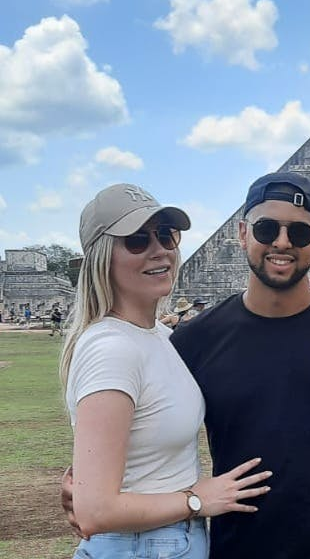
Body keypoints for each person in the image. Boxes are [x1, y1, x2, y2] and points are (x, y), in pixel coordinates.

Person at [66, 173, 310, 559]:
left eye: (300, 233)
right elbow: (121, 438)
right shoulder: (192, 340)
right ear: (242, 233)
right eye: (266, 228)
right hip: (237, 548)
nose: (281, 242)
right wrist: (86, 491)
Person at [60, 183, 272, 558]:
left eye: (165, 235)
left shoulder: (160, 336)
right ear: (102, 258)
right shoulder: (113, 348)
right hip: (142, 545)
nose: (159, 249)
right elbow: (94, 511)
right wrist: (196, 500)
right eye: (137, 240)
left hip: (160, 542)